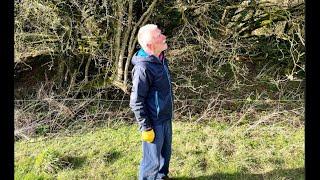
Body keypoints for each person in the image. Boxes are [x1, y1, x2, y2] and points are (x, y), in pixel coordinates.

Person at [129, 24, 174, 180]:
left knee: (165, 155)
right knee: (151, 162)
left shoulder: (160, 59)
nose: (164, 37)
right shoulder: (143, 68)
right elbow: (136, 101)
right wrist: (146, 126)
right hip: (153, 122)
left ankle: (162, 177)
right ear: (150, 45)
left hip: (165, 117)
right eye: (159, 36)